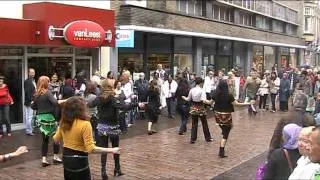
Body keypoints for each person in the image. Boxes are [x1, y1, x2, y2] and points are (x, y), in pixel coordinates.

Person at [53, 97, 121, 180]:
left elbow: (56, 139)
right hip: (80, 160)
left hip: (66, 158)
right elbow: (91, 149)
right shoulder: (85, 124)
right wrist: (111, 150)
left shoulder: (64, 122)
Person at [88, 80, 137, 180]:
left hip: (102, 125)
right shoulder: (113, 99)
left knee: (104, 149)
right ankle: (117, 169)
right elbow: (124, 107)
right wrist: (135, 104)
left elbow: (90, 104)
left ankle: (103, 171)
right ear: (110, 87)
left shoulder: (99, 98)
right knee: (115, 147)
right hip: (113, 125)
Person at [31, 76, 66, 167]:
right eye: (48, 81)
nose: (50, 83)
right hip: (49, 118)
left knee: (45, 140)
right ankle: (55, 157)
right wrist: (66, 100)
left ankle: (44, 159)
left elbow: (33, 107)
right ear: (46, 83)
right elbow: (55, 102)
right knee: (56, 138)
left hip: (40, 119)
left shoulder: (37, 94)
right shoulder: (48, 92)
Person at [212, 80, 253, 158]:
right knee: (226, 133)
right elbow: (237, 104)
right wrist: (248, 103)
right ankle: (221, 150)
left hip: (218, 115)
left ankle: (223, 138)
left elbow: (209, 102)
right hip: (226, 116)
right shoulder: (229, 95)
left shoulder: (216, 94)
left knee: (225, 128)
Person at [268, 90, 315, 158]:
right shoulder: (310, 119)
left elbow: (276, 137)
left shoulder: (285, 117)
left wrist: (270, 154)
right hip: (304, 154)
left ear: (293, 103)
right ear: (306, 104)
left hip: (286, 153)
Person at [182, 77, 213, 144]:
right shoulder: (202, 90)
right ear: (201, 83)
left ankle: (192, 139)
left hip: (193, 107)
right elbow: (203, 100)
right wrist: (210, 102)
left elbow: (188, 99)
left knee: (194, 123)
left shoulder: (192, 90)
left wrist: (184, 97)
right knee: (204, 123)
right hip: (201, 107)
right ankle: (208, 138)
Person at [24, 68, 36, 136]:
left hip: (32, 101)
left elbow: (33, 91)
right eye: (31, 73)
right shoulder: (27, 81)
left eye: (33, 72)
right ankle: (29, 131)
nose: (33, 74)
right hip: (30, 102)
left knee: (30, 116)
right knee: (29, 117)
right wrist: (31, 100)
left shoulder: (33, 81)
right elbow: (27, 92)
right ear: (28, 73)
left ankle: (29, 130)